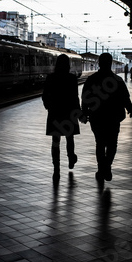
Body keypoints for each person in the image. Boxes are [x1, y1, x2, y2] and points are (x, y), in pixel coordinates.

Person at [81, 53, 132, 182]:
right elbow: (125, 97)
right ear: (110, 63)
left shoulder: (91, 79)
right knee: (112, 144)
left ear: (99, 63)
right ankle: (107, 167)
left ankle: (101, 169)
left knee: (100, 144)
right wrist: (130, 108)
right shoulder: (117, 80)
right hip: (113, 117)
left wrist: (84, 111)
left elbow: (85, 97)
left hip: (96, 117)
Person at [42, 54, 80, 182]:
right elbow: (75, 97)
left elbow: (44, 96)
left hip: (55, 113)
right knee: (70, 138)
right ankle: (71, 158)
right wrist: (78, 112)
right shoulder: (72, 78)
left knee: (55, 142)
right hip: (69, 113)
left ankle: (56, 169)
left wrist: (48, 106)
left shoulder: (51, 78)